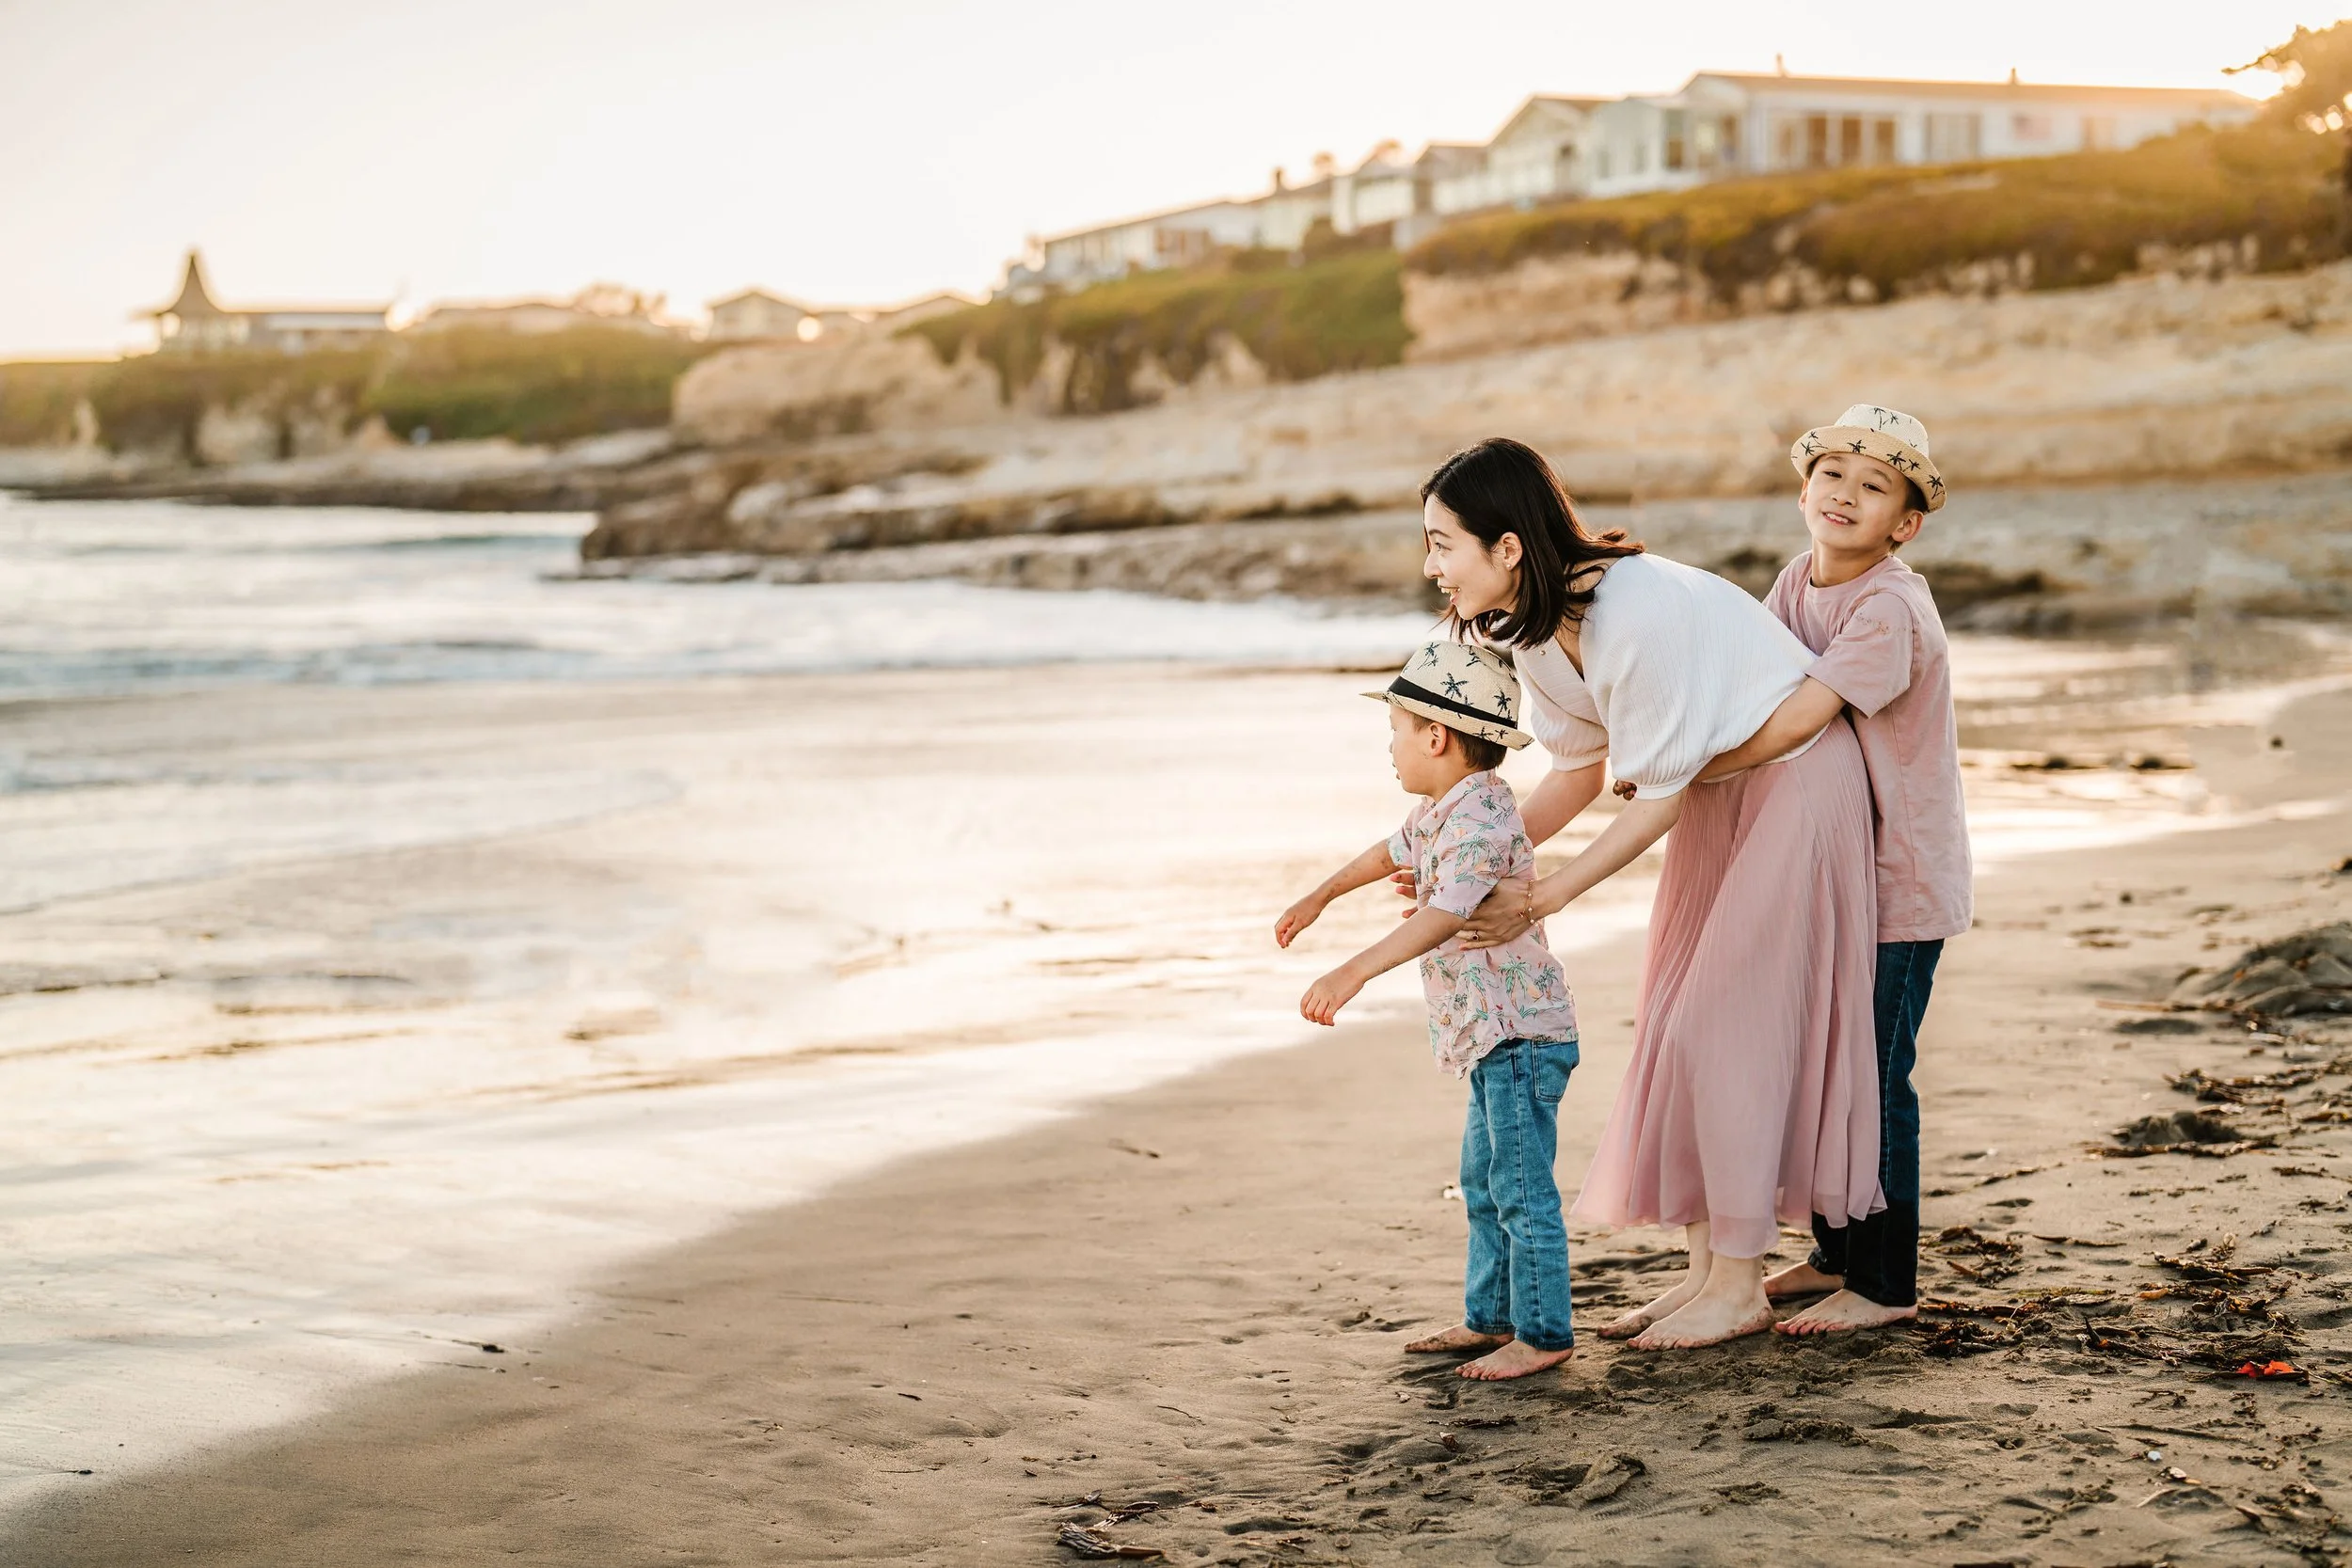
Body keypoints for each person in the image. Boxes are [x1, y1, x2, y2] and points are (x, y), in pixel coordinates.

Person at [1424, 436, 1882, 1351]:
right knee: (1679, 1025)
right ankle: (1707, 1272)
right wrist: (1472, 871)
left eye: (1443, 544)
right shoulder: (1522, 628)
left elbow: (1655, 798)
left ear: (1507, 546)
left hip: (1795, 782)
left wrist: (1540, 898)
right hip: (1713, 789)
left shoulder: (1629, 612)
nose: (1431, 566)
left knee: (1724, 1027)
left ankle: (1741, 1282)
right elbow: (1578, 770)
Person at [1702, 405, 1970, 1335]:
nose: (1845, 495)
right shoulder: (1795, 580)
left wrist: (1695, 767)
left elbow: (1796, 717)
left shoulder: (1890, 607)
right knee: (1828, 1062)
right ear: (1803, 489)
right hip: (1835, 871)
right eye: (1831, 475)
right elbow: (1750, 676)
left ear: (1906, 523)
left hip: (1900, 880)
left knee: (1876, 1077)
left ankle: (1885, 1283)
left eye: (1874, 485)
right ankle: (1832, 1254)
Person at [1276, 640, 1582, 1381]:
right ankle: (1492, 1316)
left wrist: (1354, 969)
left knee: (1519, 1189)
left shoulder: (1481, 819)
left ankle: (1544, 1332)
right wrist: (1321, 895)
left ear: (1436, 736)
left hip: (1520, 1035)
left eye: (1396, 731)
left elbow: (1443, 913)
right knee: (1483, 1183)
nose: (1391, 748)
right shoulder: (1438, 810)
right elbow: (1386, 854)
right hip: (1489, 1037)